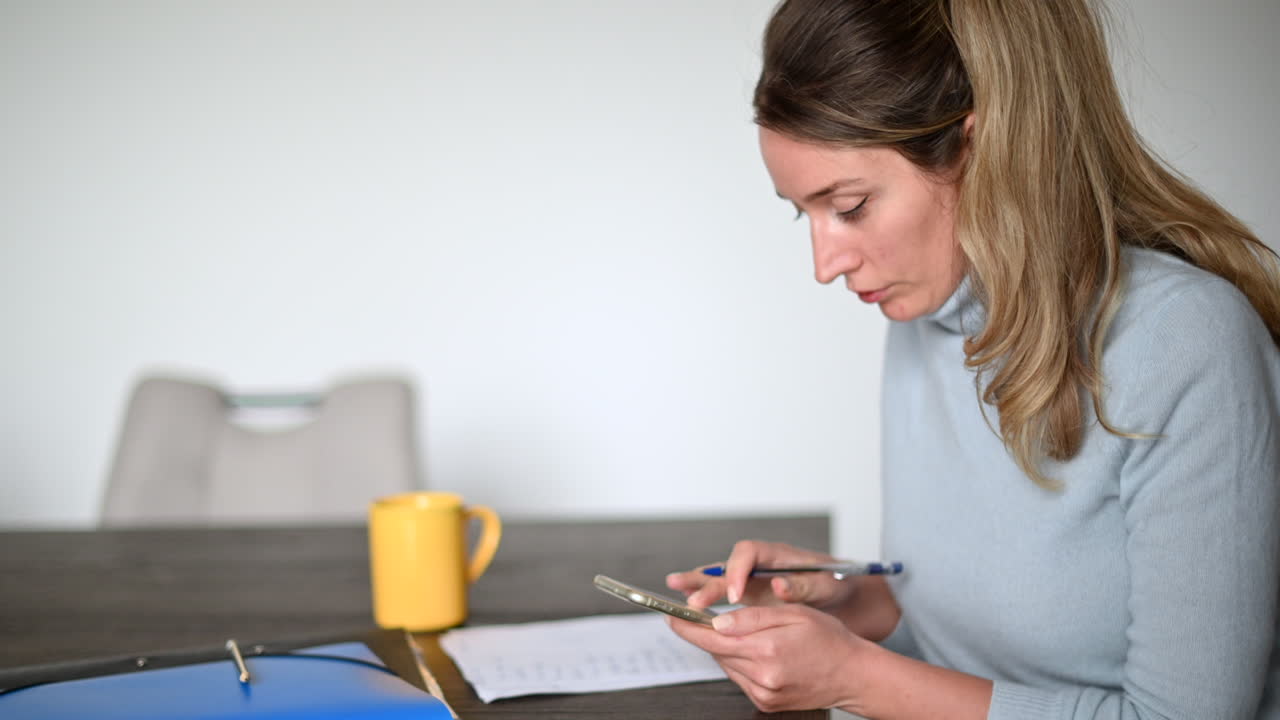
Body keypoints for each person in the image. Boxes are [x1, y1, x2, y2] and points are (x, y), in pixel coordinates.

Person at [663, 0, 1280, 718]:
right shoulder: (923, 318)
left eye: (851, 205)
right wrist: (846, 598)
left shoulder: (1188, 345)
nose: (825, 263)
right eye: (805, 212)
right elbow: (963, 637)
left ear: (981, 151)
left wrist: (852, 676)